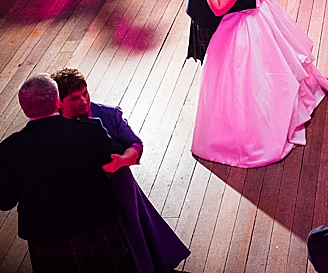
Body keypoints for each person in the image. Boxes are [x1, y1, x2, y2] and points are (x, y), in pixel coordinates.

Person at [192, 0, 328, 167]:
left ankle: (252, 131)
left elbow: (218, 7)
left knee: (244, 79)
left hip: (242, 26)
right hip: (262, 16)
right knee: (273, 64)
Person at [52, 68, 190, 273]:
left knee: (131, 230)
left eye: (85, 93)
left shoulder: (108, 114)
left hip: (119, 184)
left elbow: (134, 143)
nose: (83, 101)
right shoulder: (53, 127)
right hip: (83, 196)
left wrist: (123, 160)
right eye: (74, 98)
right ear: (59, 102)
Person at [0, 74, 134, 272]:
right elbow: (110, 162)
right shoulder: (90, 131)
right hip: (97, 226)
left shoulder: (9, 150)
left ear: (24, 108)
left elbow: (4, 202)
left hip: (46, 239)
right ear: (57, 102)